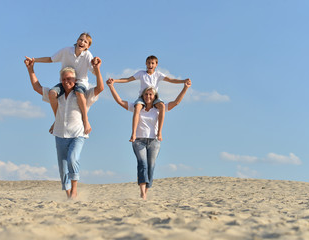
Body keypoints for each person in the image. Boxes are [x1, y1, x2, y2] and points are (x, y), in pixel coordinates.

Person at [24, 56, 104, 200]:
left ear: (75, 80)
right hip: (60, 134)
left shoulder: (82, 95)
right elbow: (37, 87)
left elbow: (100, 88)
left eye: (70, 79)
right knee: (62, 167)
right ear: (61, 81)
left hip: (78, 133)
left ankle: (74, 190)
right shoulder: (57, 96)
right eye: (64, 79)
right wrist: (31, 69)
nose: (67, 82)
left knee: (73, 159)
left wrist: (97, 70)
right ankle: (69, 196)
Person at [106, 78, 191, 200]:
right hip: (138, 140)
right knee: (142, 164)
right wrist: (111, 86)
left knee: (151, 166)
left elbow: (176, 102)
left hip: (154, 141)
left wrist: (185, 87)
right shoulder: (137, 108)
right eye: (146, 94)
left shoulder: (158, 109)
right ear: (142, 95)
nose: (148, 96)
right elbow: (120, 101)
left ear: (155, 96)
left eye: (150, 94)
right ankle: (142, 193)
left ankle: (146, 189)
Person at [25, 32, 98, 135]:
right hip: (66, 81)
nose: (82, 42)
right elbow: (51, 59)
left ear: (88, 46)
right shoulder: (66, 51)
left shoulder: (88, 55)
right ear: (77, 40)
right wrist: (34, 60)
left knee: (79, 93)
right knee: (52, 93)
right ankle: (57, 120)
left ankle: (86, 121)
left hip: (80, 82)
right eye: (80, 39)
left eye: (85, 41)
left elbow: (94, 72)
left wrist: (96, 67)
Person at [108, 55, 190, 142]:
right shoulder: (141, 73)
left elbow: (171, 80)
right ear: (145, 64)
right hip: (142, 97)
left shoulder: (158, 75)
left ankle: (159, 132)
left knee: (162, 106)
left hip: (154, 97)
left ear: (156, 64)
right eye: (148, 63)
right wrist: (115, 81)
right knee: (137, 108)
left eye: (152, 63)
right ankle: (134, 133)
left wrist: (183, 81)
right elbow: (128, 79)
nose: (150, 65)